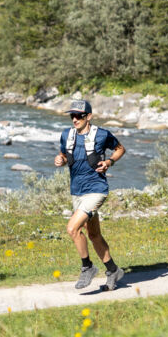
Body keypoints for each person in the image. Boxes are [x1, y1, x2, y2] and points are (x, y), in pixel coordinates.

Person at [54, 99, 126, 290]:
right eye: (73, 116)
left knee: (72, 229)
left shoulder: (102, 135)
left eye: (79, 115)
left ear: (89, 117)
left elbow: (120, 149)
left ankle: (87, 267)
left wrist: (109, 162)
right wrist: (60, 160)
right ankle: (113, 270)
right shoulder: (66, 135)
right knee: (93, 235)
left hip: (96, 190)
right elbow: (63, 154)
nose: (75, 119)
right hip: (76, 191)